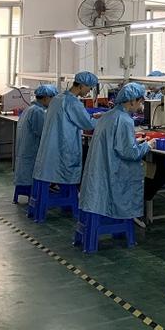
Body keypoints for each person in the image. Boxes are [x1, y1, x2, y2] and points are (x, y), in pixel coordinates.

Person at [79, 82, 154, 221]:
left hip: (101, 168)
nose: (140, 106)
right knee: (155, 172)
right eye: (140, 102)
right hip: (115, 171)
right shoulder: (125, 120)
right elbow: (130, 153)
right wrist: (148, 145)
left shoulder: (109, 115)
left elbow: (116, 141)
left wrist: (134, 141)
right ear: (132, 101)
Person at [34, 71, 99, 188]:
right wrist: (105, 119)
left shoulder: (57, 98)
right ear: (82, 85)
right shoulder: (73, 102)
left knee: (55, 173)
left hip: (52, 148)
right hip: (64, 149)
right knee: (66, 174)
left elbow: (71, 117)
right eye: (89, 88)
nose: (89, 91)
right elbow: (88, 124)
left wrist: (91, 117)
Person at [13, 84, 58, 194]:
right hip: (32, 152)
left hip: (26, 151)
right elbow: (43, 132)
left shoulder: (29, 109)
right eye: (53, 99)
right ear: (46, 98)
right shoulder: (37, 112)